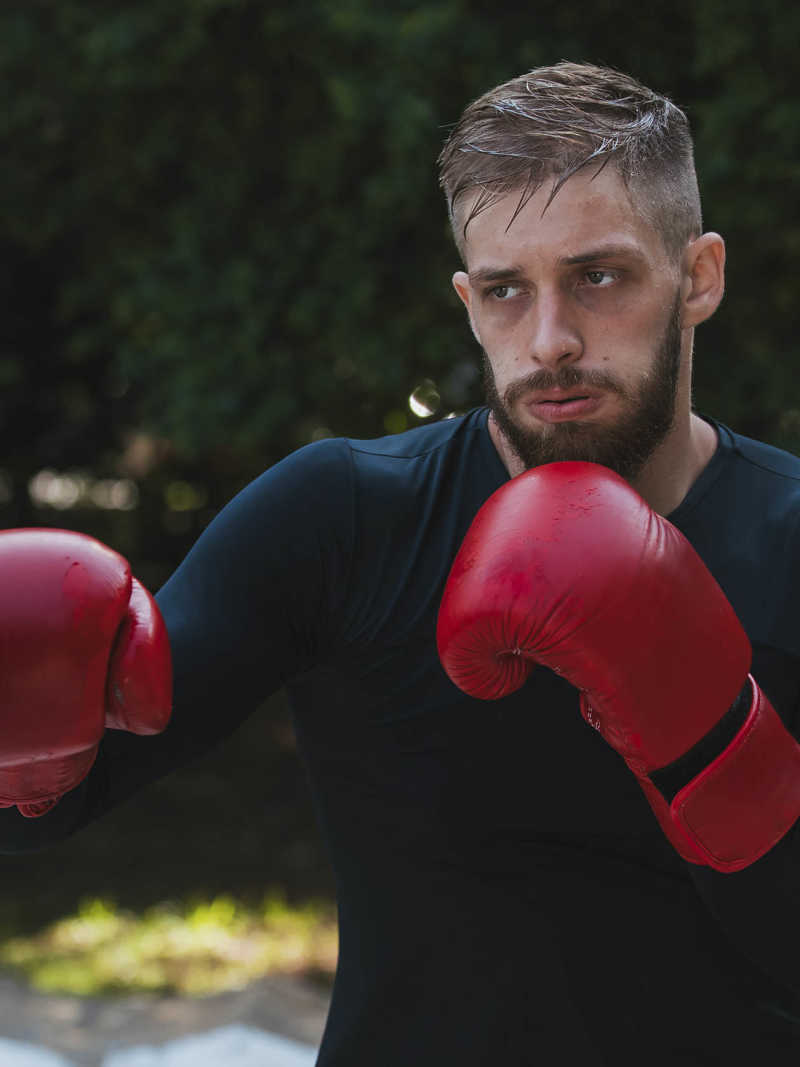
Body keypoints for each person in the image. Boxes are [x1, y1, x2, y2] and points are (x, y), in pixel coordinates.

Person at [1, 61, 800, 1064]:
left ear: (697, 276)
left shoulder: (789, 537)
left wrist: (711, 741)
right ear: (467, 300)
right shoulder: (343, 516)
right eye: (506, 290)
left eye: (596, 276)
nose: (548, 339)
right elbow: (48, 804)